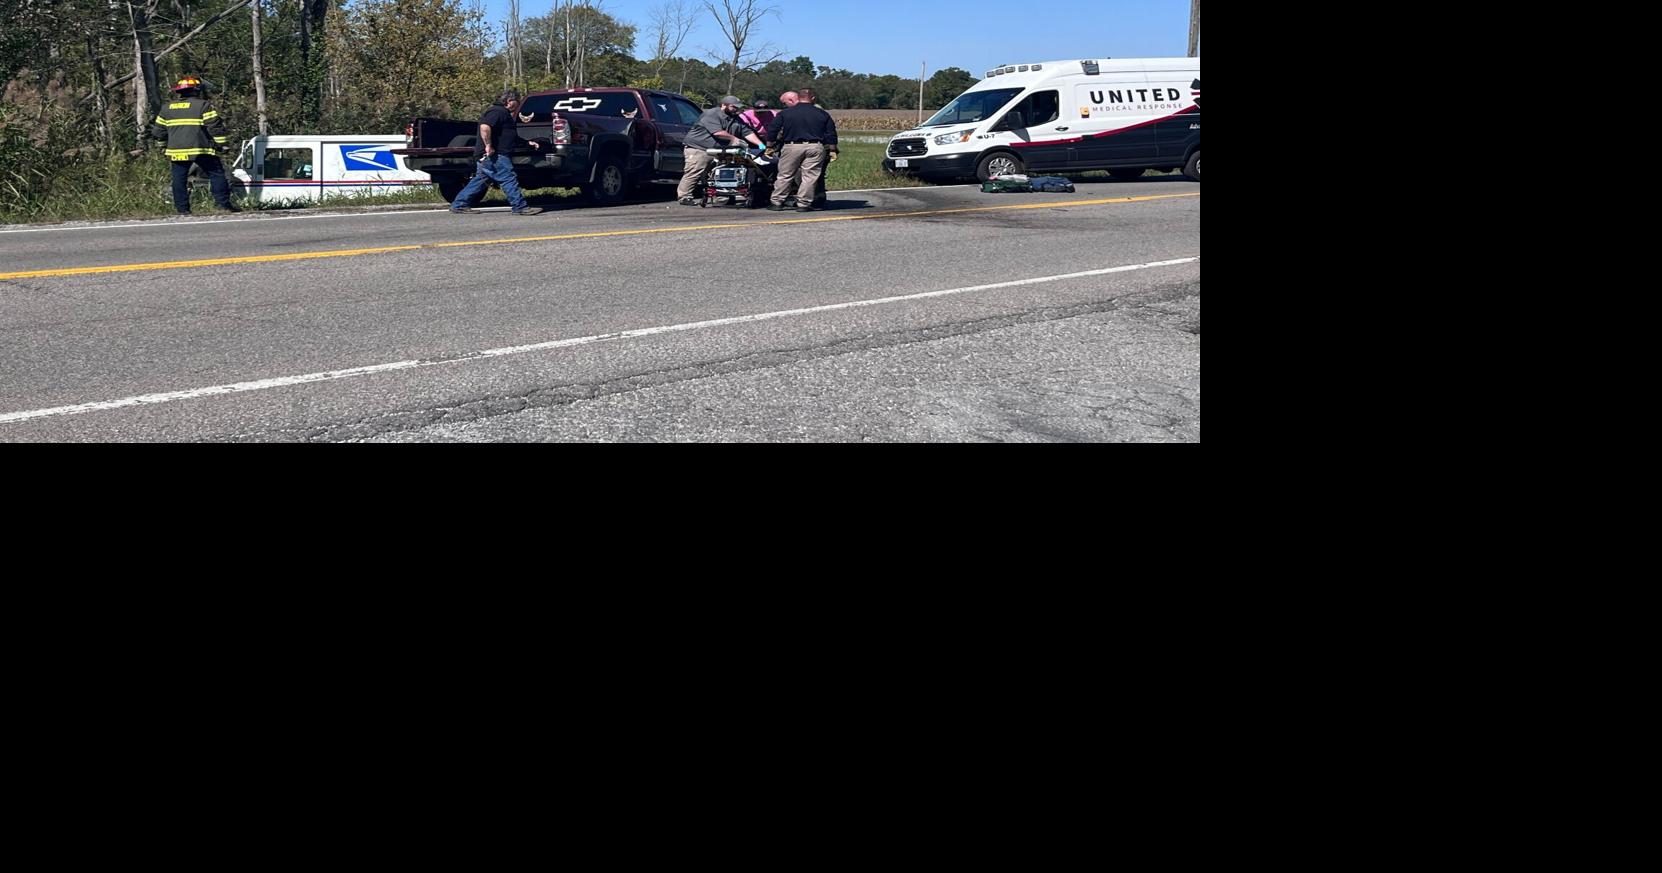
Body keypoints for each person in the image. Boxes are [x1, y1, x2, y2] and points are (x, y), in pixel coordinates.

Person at [147, 77, 239, 215]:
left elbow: (159, 131)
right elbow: (214, 126)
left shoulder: (167, 108)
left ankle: (182, 210)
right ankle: (223, 205)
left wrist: (162, 146)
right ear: (196, 90)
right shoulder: (203, 105)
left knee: (179, 179)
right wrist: (222, 144)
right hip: (201, 149)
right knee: (216, 174)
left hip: (176, 151)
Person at [450, 89, 544, 216]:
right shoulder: (497, 111)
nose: (518, 104)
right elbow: (485, 127)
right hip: (494, 155)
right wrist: (488, 146)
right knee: (508, 178)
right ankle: (520, 207)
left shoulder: (503, 113)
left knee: (481, 180)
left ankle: (459, 204)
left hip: (490, 155)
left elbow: (508, 136)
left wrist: (527, 143)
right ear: (509, 101)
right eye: (517, 101)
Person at [677, 96, 766, 206]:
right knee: (694, 172)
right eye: (734, 107)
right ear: (724, 105)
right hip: (699, 148)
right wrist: (734, 139)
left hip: (719, 150)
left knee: (721, 174)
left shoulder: (735, 118)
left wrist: (760, 144)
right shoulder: (712, 114)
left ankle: (722, 197)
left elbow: (747, 132)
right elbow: (717, 132)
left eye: (738, 107)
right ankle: (684, 196)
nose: (737, 109)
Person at [767, 87, 838, 212]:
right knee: (810, 176)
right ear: (813, 98)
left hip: (791, 146)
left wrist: (769, 146)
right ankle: (804, 204)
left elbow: (773, 129)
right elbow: (830, 133)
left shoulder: (786, 113)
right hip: (815, 146)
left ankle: (777, 202)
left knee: (785, 175)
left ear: (798, 98)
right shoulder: (822, 114)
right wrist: (832, 149)